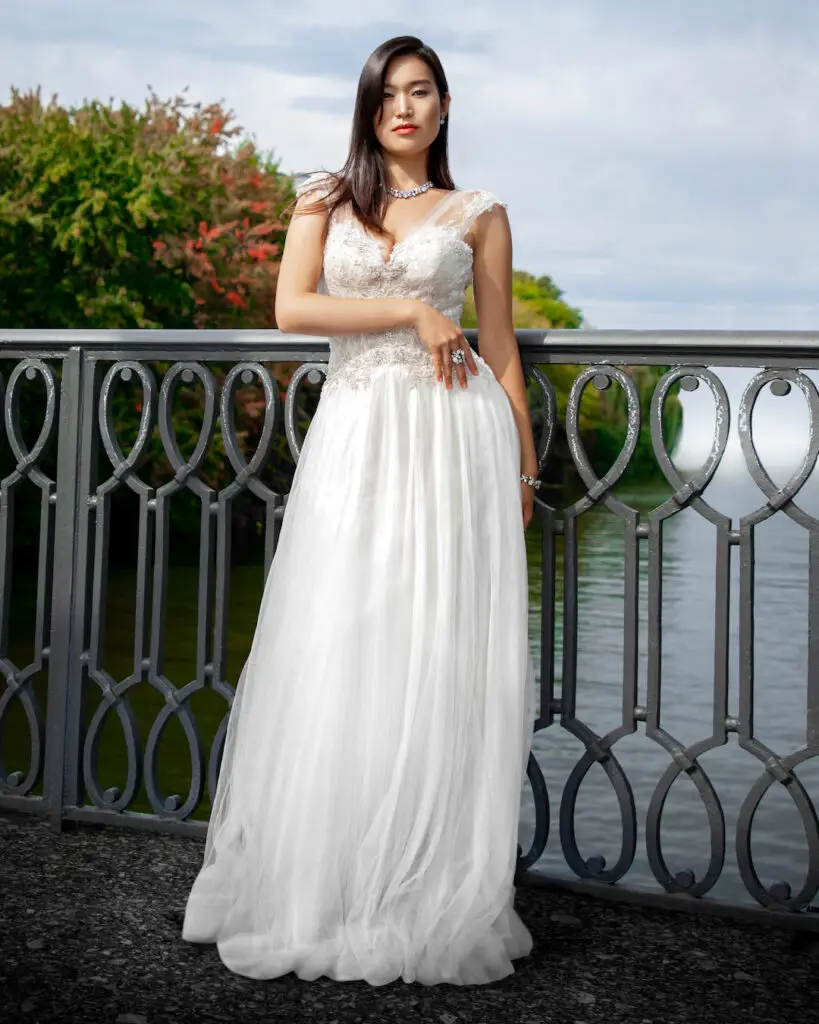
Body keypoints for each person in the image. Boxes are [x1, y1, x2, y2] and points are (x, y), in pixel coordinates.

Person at [181, 34, 540, 987]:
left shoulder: (479, 213)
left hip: (449, 441)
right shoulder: (324, 196)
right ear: (367, 108)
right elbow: (291, 307)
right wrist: (411, 313)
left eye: (421, 92)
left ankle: (415, 883)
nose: (405, 109)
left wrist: (522, 467)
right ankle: (326, 880)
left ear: (445, 104)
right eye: (388, 94)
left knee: (428, 648)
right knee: (341, 636)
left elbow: (499, 350)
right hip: (355, 435)